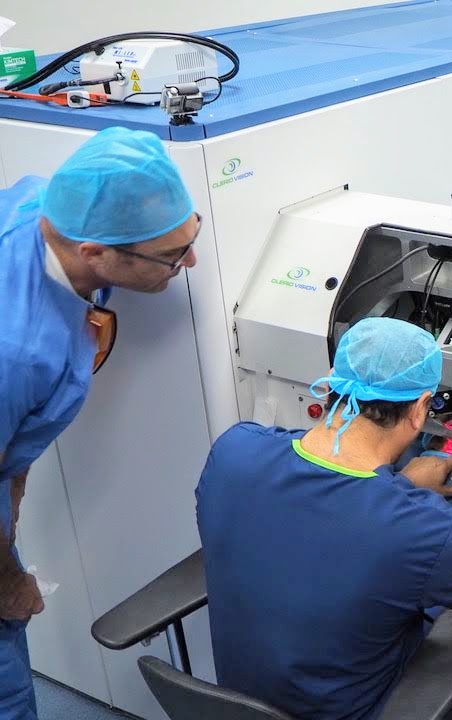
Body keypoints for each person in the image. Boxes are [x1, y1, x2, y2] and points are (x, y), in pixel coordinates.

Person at [196, 318, 452, 719]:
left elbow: (315, 524)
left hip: (237, 705)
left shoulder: (234, 450)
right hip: (355, 711)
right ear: (419, 411)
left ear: (332, 384)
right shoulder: (416, 525)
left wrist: (398, 485)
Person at [0, 127, 200, 719]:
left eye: (191, 237)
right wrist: (8, 581)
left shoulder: (51, 202)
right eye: (170, 255)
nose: (190, 261)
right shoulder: (17, 350)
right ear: (95, 254)